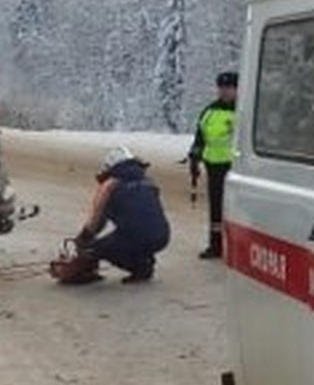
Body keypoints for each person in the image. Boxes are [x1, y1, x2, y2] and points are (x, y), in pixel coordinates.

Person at [73, 146, 170, 283]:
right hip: (162, 236)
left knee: (96, 248)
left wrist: (84, 238)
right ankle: (144, 260)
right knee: (135, 232)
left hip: (137, 236)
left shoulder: (110, 186)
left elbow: (97, 221)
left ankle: (140, 268)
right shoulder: (148, 181)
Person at [188, 70, 238, 259]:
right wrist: (195, 156)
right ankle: (215, 245)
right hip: (214, 166)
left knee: (237, 209)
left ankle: (237, 245)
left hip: (236, 167)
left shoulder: (243, 111)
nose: (224, 92)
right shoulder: (209, 111)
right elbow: (200, 137)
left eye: (229, 88)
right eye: (222, 88)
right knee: (216, 208)